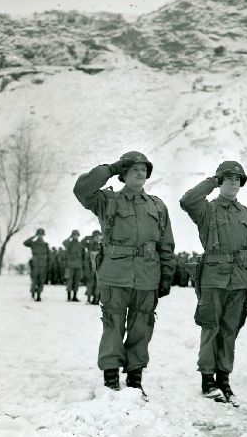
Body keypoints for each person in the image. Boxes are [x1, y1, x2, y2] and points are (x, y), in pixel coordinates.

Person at [73, 151, 175, 396]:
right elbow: (82, 189)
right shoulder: (107, 201)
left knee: (142, 326)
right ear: (123, 174)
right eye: (133, 169)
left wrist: (167, 273)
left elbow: (166, 243)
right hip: (114, 274)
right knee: (113, 324)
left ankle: (134, 377)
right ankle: (110, 377)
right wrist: (112, 167)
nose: (140, 173)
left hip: (148, 274)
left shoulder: (157, 205)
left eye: (144, 170)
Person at [180, 161, 247, 406]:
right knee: (211, 327)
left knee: (230, 331)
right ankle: (208, 379)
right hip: (213, 278)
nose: (233, 182)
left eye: (238, 179)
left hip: (239, 279)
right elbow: (187, 201)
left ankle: (224, 378)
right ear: (220, 181)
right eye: (228, 178)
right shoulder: (207, 210)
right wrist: (211, 180)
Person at [23, 228, 50, 301]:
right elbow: (25, 243)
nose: (40, 236)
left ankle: (39, 295)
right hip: (35, 265)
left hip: (43, 265)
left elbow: (49, 256)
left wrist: (48, 265)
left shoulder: (46, 245)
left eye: (41, 235)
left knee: (41, 281)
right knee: (34, 280)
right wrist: (33, 237)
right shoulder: (33, 243)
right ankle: (33, 293)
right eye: (39, 235)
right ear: (37, 235)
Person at [63, 230, 86, 302]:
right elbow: (64, 242)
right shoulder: (69, 244)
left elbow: (83, 255)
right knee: (70, 281)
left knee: (76, 281)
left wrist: (83, 264)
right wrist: (69, 237)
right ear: (72, 236)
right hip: (70, 266)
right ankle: (69, 297)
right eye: (74, 235)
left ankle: (74, 297)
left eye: (76, 235)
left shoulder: (80, 244)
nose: (76, 236)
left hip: (79, 266)